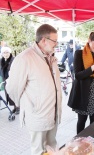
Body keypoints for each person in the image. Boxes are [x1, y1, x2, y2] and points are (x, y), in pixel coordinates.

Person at [6, 24, 62, 155]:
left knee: (52, 148)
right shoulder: (25, 58)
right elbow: (12, 88)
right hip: (38, 117)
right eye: (55, 41)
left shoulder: (51, 57)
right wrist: (28, 106)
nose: (56, 44)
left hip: (53, 113)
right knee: (39, 151)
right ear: (44, 40)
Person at [0, 47, 19, 114]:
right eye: (4, 53)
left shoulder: (13, 60)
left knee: (14, 94)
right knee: (9, 95)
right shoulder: (1, 60)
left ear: (10, 52)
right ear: (2, 54)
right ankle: (14, 107)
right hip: (5, 80)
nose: (6, 54)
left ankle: (17, 107)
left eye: (7, 52)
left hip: (12, 80)